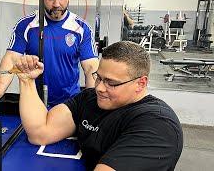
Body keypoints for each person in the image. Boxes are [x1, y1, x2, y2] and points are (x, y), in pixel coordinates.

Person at [15, 41, 183, 171]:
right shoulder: (90, 99)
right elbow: (40, 132)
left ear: (141, 83)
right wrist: (27, 81)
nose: (100, 88)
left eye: (111, 83)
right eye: (99, 78)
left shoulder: (158, 125)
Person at [0, 0, 98, 115]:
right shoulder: (26, 25)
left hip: (69, 103)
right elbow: (10, 60)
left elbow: (91, 69)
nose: (56, 4)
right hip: (33, 101)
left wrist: (93, 106)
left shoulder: (82, 28)